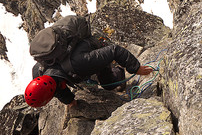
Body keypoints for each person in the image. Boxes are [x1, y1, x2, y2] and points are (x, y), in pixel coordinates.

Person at [25, 25, 154, 108]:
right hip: (72, 62)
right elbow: (57, 88)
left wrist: (136, 68)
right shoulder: (39, 73)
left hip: (87, 48)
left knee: (108, 84)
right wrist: (70, 100)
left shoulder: (81, 63)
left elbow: (114, 50)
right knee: (83, 79)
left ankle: (118, 71)